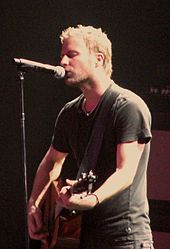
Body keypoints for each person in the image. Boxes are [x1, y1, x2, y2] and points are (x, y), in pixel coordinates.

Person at [28, 25, 154, 249]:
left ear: (98, 59)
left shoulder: (127, 107)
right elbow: (51, 161)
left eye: (71, 54)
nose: (63, 62)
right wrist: (34, 204)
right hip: (86, 235)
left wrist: (92, 199)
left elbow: (125, 172)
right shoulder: (69, 112)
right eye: (62, 56)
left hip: (125, 237)